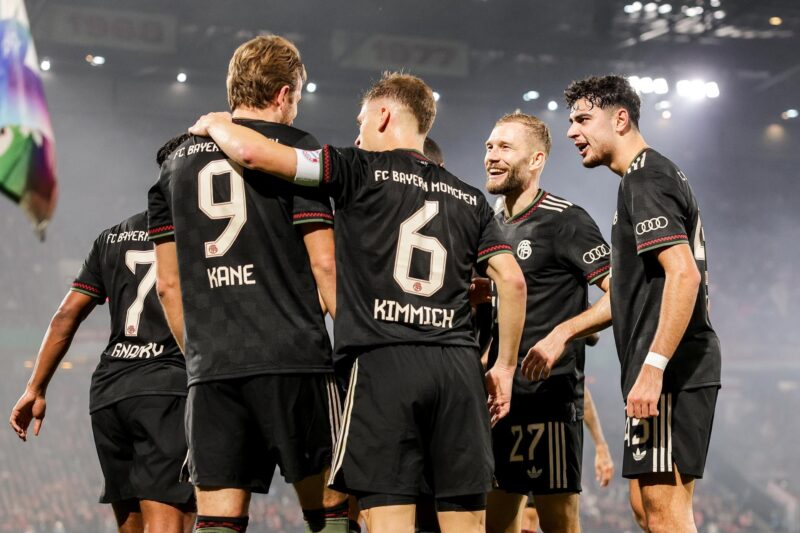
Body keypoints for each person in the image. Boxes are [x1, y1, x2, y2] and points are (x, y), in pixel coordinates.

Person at [188, 70, 527, 533]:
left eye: (362, 120)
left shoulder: (355, 168)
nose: (358, 132)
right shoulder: (470, 198)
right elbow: (512, 281)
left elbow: (254, 154)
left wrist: (217, 123)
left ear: (385, 115)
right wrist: (504, 368)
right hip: (458, 370)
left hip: (382, 363)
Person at [148, 35, 347, 533]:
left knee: (218, 521)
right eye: (297, 95)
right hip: (295, 360)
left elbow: (168, 287)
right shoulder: (296, 149)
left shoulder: (172, 169)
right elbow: (326, 268)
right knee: (332, 512)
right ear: (283, 94)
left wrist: (199, 355)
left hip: (213, 369)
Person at [525, 74, 720, 533]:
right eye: (571, 120)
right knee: (645, 507)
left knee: (667, 513)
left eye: (583, 119)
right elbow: (629, 294)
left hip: (673, 368)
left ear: (620, 118)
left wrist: (653, 367)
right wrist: (563, 331)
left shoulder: (645, 177)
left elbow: (684, 273)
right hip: (665, 366)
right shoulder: (643, 177)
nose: (572, 131)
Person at [9, 134, 196, 533]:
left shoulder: (112, 236)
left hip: (110, 395)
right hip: (166, 389)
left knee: (130, 524)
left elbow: (65, 315)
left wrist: (36, 388)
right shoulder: (201, 234)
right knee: (171, 523)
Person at [479, 112, 611, 533]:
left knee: (559, 526)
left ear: (536, 160)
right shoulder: (487, 225)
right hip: (497, 403)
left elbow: (623, 294)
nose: (492, 156)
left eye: (505, 147)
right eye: (489, 146)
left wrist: (562, 333)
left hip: (549, 402)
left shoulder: (565, 220)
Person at [520, 385, 615, 533]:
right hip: (504, 430)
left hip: (548, 432)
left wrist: (601, 446)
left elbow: (579, 388)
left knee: (536, 518)